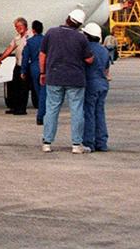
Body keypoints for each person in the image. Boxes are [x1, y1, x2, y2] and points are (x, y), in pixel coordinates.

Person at [39, 9, 94, 153]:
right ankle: (76, 144)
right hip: (75, 78)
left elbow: (42, 55)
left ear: (67, 18)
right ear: (80, 24)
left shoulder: (51, 33)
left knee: (51, 109)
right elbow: (89, 59)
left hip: (54, 76)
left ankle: (47, 142)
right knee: (76, 111)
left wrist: (43, 72)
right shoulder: (81, 38)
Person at [81, 23, 111, 152]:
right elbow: (106, 68)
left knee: (89, 113)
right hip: (103, 84)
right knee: (100, 113)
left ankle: (88, 142)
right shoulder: (104, 50)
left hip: (91, 83)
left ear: (87, 35)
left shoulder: (87, 49)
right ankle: (101, 142)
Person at [0, 17, 30, 114]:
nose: (17, 29)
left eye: (19, 26)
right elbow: (10, 48)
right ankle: (14, 106)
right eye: (16, 27)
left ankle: (22, 109)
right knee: (14, 85)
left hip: (26, 65)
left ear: (24, 26)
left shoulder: (31, 36)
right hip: (18, 64)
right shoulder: (17, 37)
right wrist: (0, 59)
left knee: (23, 88)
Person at [21, 20, 47, 124]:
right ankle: (46, 115)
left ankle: (41, 116)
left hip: (35, 68)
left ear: (33, 30)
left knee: (39, 93)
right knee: (46, 93)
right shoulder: (46, 40)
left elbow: (25, 57)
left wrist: (23, 70)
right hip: (46, 67)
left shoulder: (30, 41)